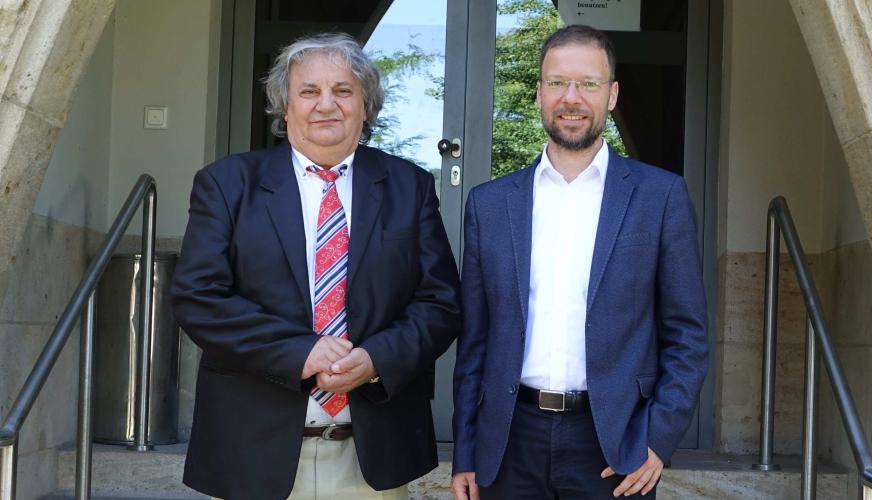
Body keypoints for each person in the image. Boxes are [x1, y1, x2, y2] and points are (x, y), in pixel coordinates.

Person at [171, 32, 461, 500]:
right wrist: (298, 351)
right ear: (285, 108)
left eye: (343, 91)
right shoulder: (227, 184)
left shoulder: (409, 186)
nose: (326, 104)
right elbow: (197, 298)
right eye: (309, 91)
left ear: (366, 106)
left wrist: (375, 360)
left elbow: (440, 302)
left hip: (373, 458)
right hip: (253, 453)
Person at [451, 25, 708, 500]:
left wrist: (655, 441)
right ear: (539, 93)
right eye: (557, 83)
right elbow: (476, 341)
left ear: (612, 95)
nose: (572, 98)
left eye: (588, 84)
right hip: (508, 443)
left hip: (614, 445)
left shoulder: (659, 196)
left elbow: (687, 335)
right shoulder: (489, 205)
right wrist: (465, 450)